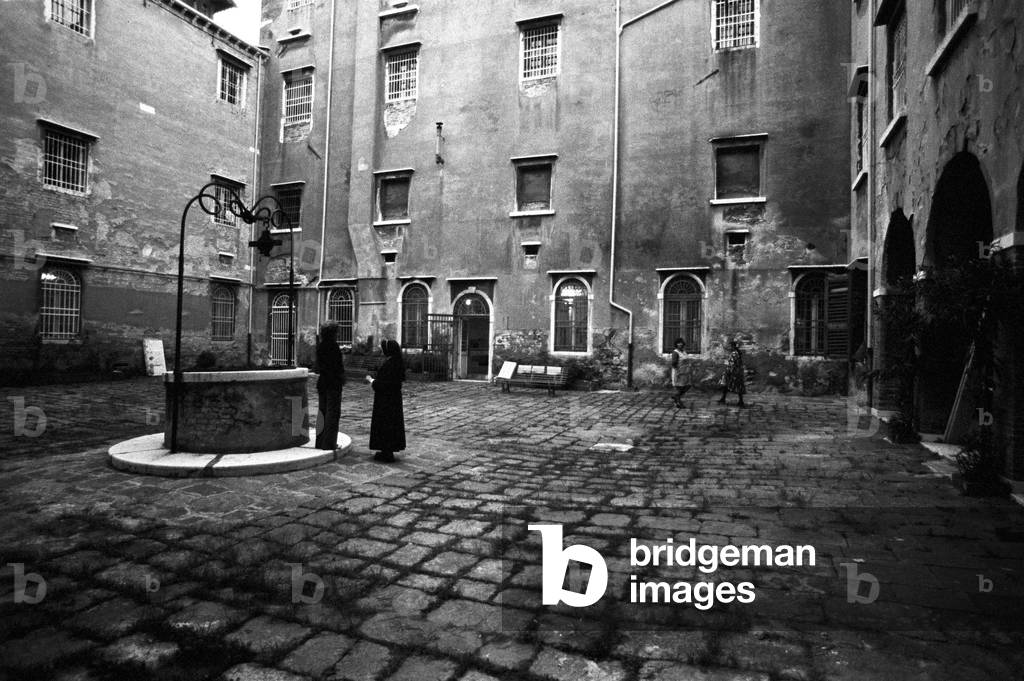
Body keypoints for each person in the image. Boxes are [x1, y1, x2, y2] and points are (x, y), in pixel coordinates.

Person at [366, 339, 406, 463]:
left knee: (385, 424)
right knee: (391, 425)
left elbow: (385, 385)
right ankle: (386, 450)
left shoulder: (390, 364)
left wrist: (371, 380)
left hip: (386, 401)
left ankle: (386, 452)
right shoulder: (397, 362)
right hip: (393, 400)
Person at [315, 324, 345, 450]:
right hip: (333, 383)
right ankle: (329, 443)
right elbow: (337, 366)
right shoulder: (334, 347)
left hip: (322, 382)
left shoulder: (320, 346)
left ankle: (320, 442)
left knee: (322, 413)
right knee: (332, 414)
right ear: (332, 333)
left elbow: (318, 366)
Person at [717, 339, 747, 407]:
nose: (729, 347)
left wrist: (729, 370)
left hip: (733, 372)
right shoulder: (736, 353)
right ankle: (724, 398)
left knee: (733, 385)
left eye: (730, 346)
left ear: (732, 346)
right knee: (730, 385)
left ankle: (740, 401)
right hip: (737, 371)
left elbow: (732, 364)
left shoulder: (734, 353)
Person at [670, 338, 691, 408]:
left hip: (685, 373)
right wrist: (678, 372)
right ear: (676, 344)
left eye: (681, 343)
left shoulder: (684, 352)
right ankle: (678, 402)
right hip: (679, 373)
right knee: (680, 387)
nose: (680, 344)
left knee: (688, 386)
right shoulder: (675, 352)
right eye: (678, 343)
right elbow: (673, 363)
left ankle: (676, 396)